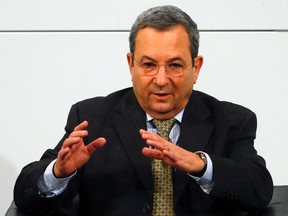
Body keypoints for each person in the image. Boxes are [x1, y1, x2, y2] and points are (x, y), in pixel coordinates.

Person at [13, 5, 273, 216]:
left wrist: (200, 166)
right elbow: (26, 195)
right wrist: (59, 174)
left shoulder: (232, 121)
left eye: (174, 65)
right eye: (148, 64)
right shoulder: (92, 117)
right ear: (131, 64)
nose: (161, 79)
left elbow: (259, 189)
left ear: (196, 68)